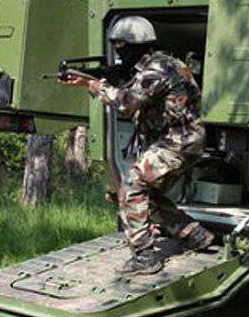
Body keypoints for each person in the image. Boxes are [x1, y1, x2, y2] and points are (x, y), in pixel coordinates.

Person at [62, 16, 214, 275]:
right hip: (181, 141)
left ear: (137, 46)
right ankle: (194, 235)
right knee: (148, 196)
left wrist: (93, 85)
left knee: (131, 187)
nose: (120, 53)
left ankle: (145, 257)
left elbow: (125, 102)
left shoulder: (157, 70)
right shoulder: (158, 64)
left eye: (122, 47)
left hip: (179, 141)